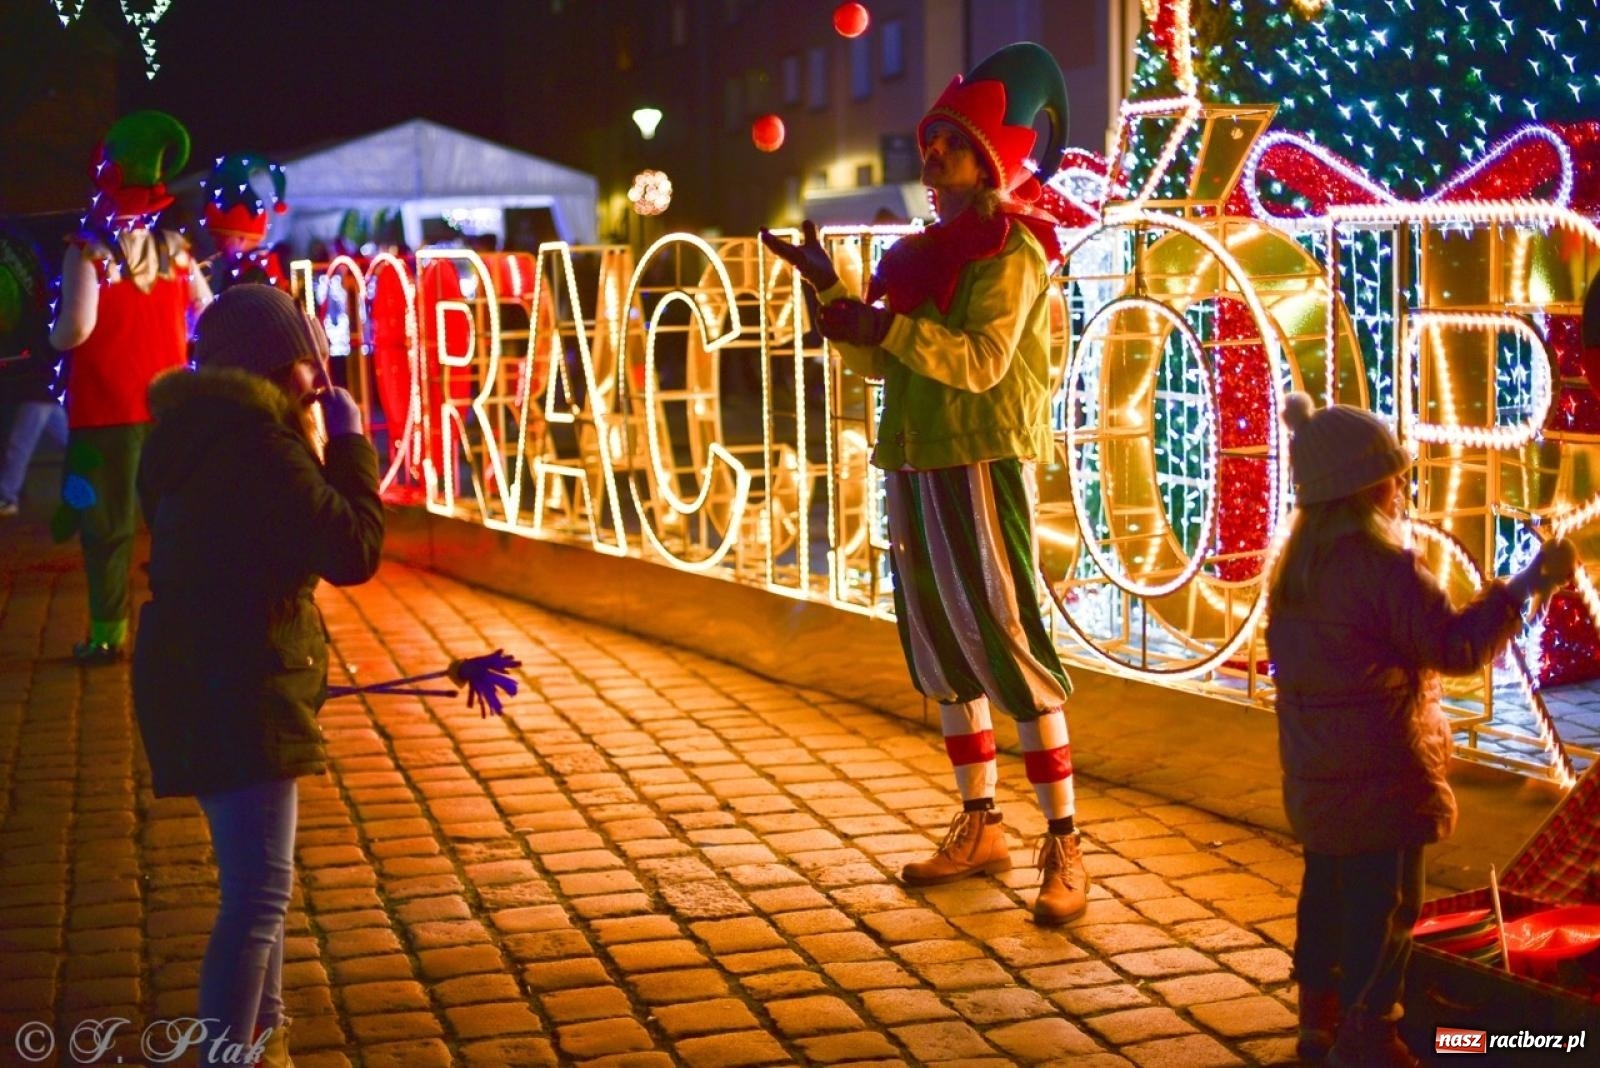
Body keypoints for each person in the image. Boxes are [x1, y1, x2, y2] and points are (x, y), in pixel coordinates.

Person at [761, 43, 1090, 925]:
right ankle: (980, 824)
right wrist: (830, 289)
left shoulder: (1012, 249)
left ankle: (1064, 842)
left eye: (948, 144)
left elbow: (982, 363)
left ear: (989, 160)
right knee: (941, 649)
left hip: (978, 459)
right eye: (929, 142)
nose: (930, 159)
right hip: (911, 459)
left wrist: (886, 328)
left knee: (1010, 639)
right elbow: (877, 361)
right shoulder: (916, 255)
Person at [1265, 393, 1575, 1067]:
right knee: (1390, 908)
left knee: (1326, 894)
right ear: (1370, 485)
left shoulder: (1294, 573)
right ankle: (1369, 1030)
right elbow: (1455, 647)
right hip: (1383, 775)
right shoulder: (1384, 569)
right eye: (1396, 475)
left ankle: (1316, 1020)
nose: (1403, 487)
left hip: (1316, 777)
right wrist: (1526, 586)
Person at [131, 284, 383, 1067]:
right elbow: (353, 549)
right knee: (256, 899)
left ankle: (262, 1047)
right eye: (311, 361)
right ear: (283, 367)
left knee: (257, 890)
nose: (321, 376)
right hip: (239, 684)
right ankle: (232, 1056)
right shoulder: (259, 445)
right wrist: (350, 440)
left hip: (198, 673)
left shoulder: (188, 433)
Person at [48, 110, 212, 662]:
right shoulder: (179, 252)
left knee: (106, 528)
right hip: (168, 411)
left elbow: (75, 330)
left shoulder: (85, 251)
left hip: (104, 415)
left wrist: (46, 339)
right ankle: (185, 625)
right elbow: (206, 318)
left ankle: (106, 633)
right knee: (177, 523)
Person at [0, 221, 67, 517]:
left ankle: (7, 495)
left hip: (38, 369)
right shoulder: (32, 256)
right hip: (39, 369)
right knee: (66, 433)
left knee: (21, 440)